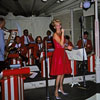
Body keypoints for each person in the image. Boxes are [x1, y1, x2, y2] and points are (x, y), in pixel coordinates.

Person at [50, 19, 72, 99]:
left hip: (62, 53)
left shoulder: (60, 33)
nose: (59, 26)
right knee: (59, 74)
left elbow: (62, 46)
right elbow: (62, 43)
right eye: (57, 25)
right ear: (54, 27)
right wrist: (63, 33)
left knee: (63, 73)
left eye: (59, 24)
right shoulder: (55, 34)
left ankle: (61, 88)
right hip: (58, 55)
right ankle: (56, 91)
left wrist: (68, 47)